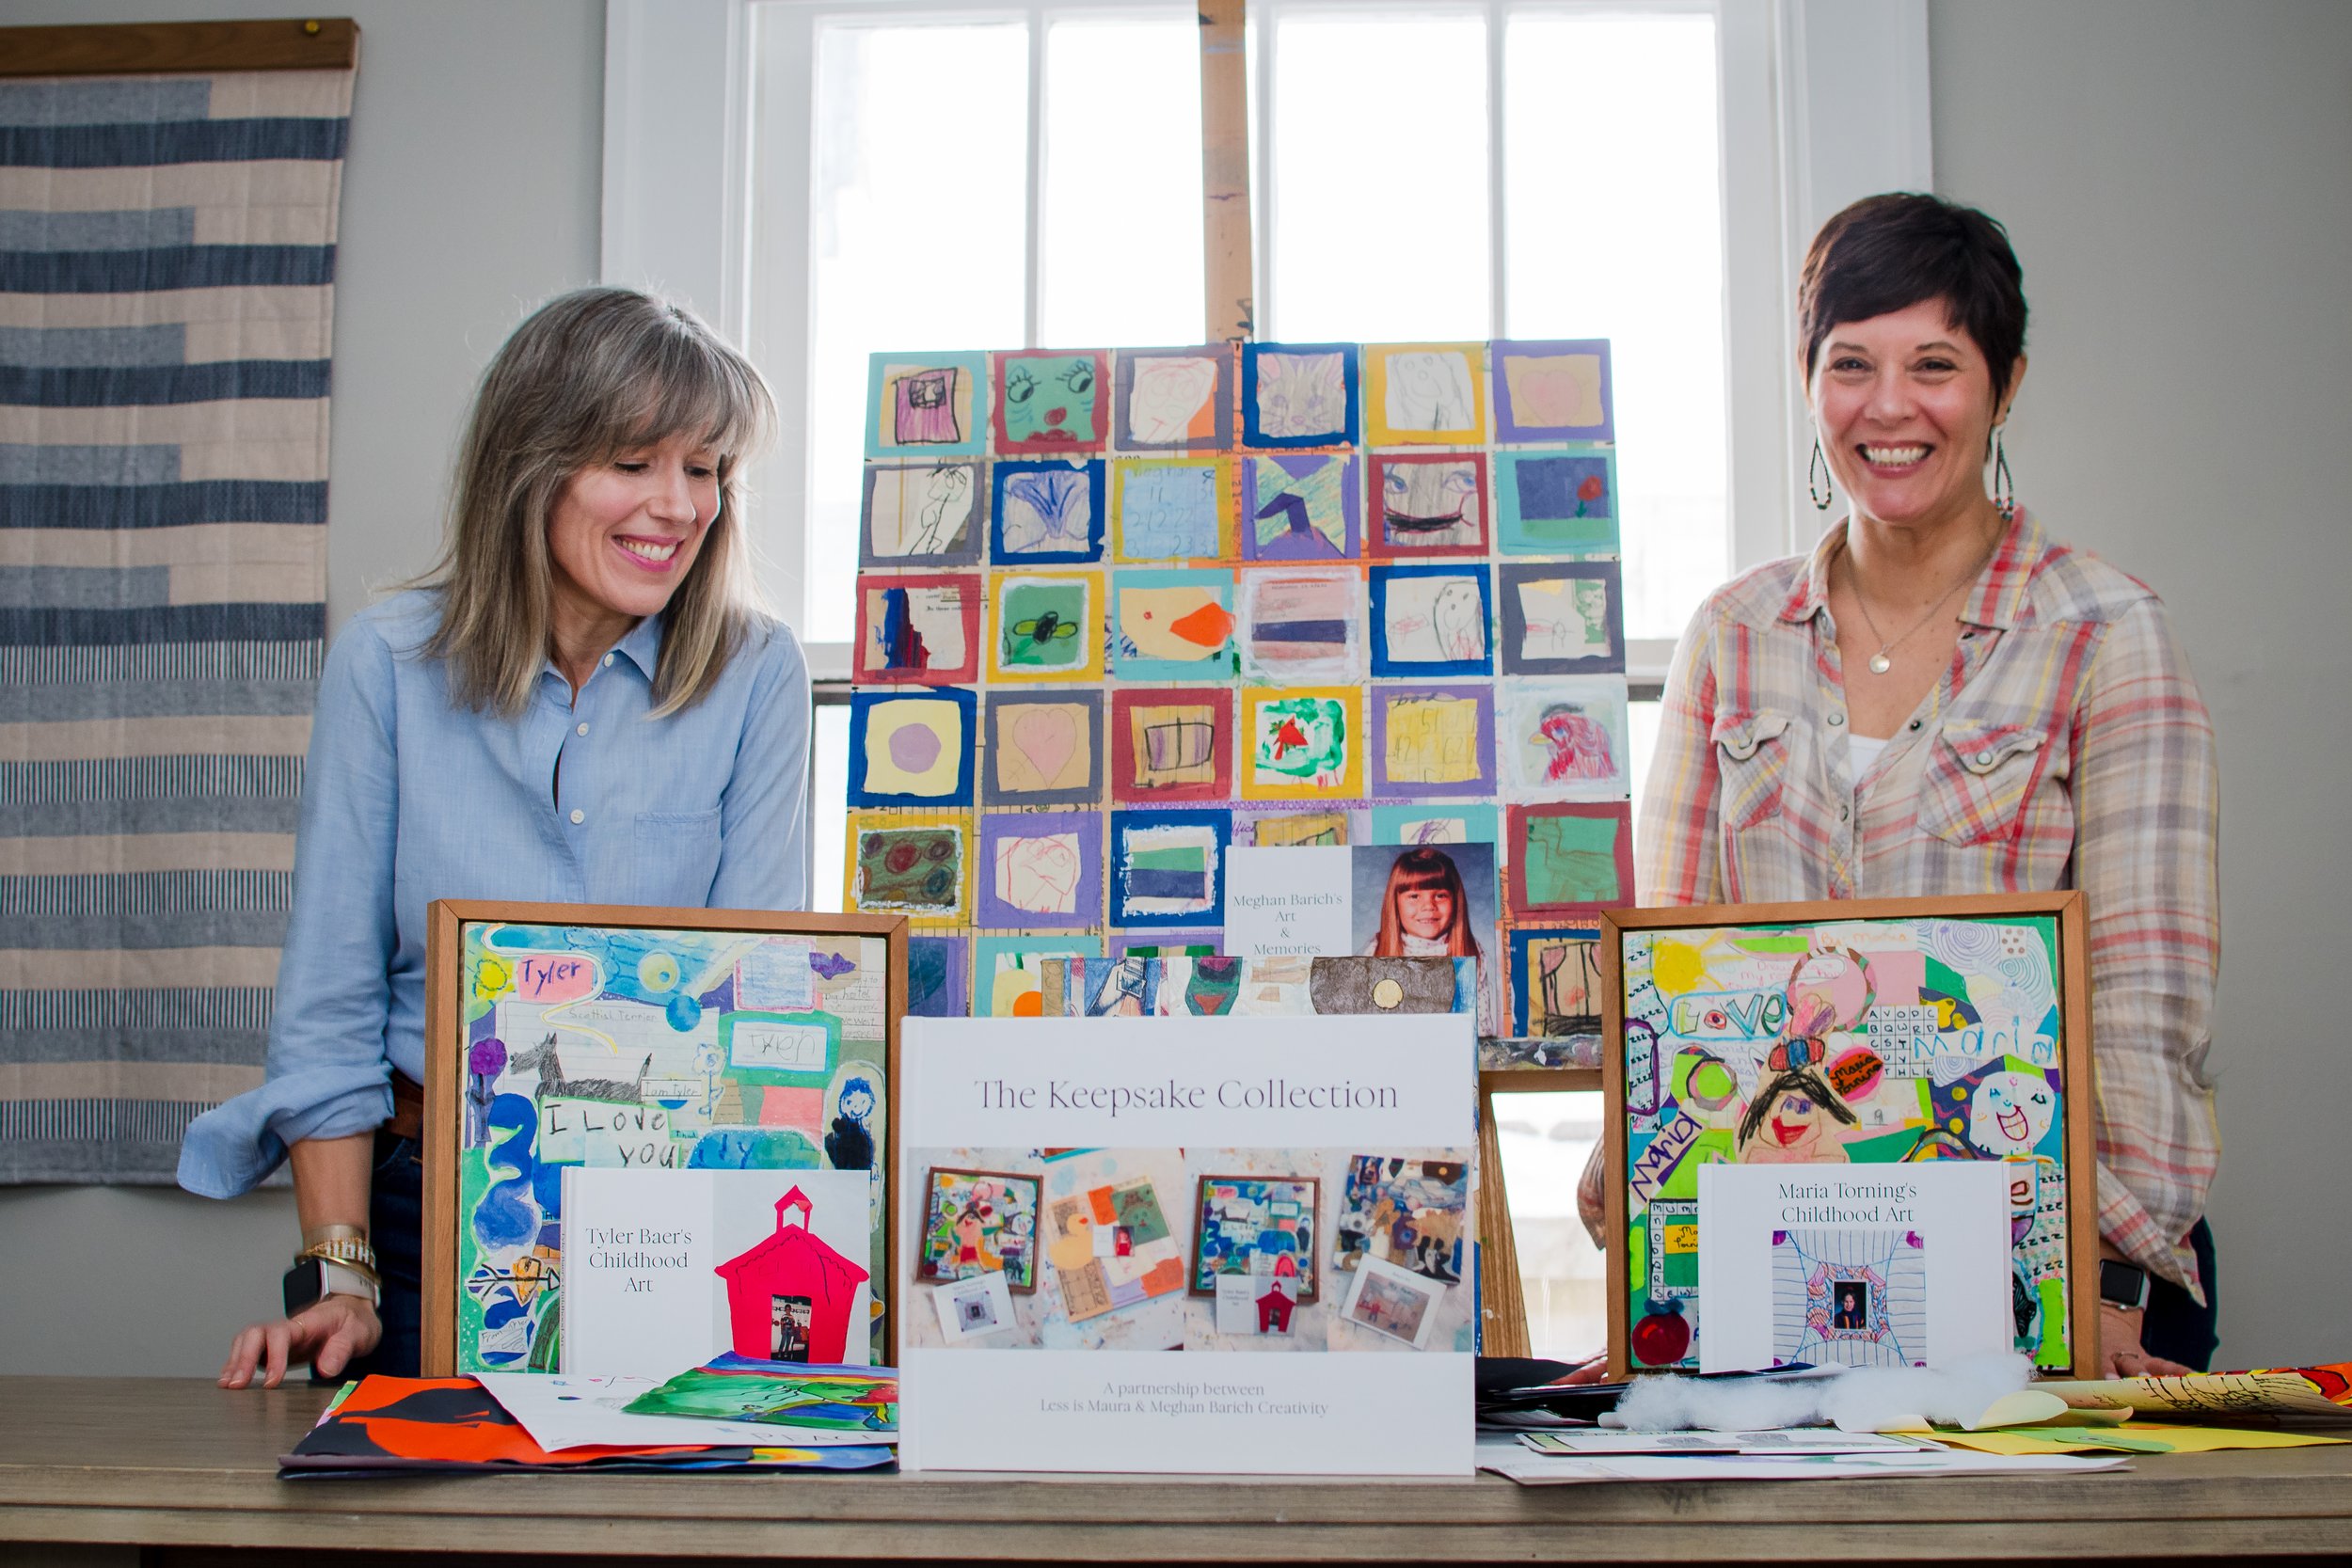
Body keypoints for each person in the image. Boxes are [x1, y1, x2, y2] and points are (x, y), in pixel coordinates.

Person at [1577, 193, 2220, 1382]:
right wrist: (1650, 1249)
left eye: (1933, 364)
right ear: (1808, 381)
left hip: (2053, 1260)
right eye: (1849, 363)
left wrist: (2106, 1281)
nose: (1888, 406)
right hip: (1775, 1244)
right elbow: (1668, 979)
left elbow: (2144, 1005)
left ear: (2003, 384)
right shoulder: (1731, 634)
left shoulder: (2105, 632)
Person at [181, 287, 810, 1388]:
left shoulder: (759, 673)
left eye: (705, 468)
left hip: (673, 1201)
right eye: (632, 461)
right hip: (424, 1200)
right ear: (531, 467)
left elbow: (761, 996)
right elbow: (331, 1005)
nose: (677, 505)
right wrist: (341, 1279)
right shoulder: (386, 665)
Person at [1362, 847, 1484, 959]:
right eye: (1414, 896)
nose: (1429, 906)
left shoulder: (1471, 950)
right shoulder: (1376, 952)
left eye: (1440, 896)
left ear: (1456, 902)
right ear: (1395, 904)